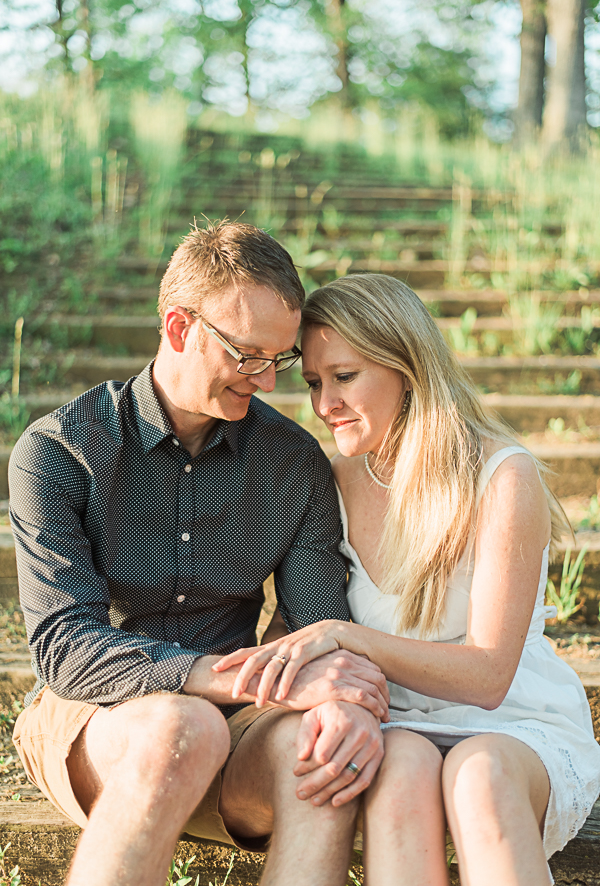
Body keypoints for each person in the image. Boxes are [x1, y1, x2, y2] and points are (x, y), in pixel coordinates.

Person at [8, 224, 390, 886]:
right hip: (94, 718)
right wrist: (232, 678)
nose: (267, 379)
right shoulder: (60, 452)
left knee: (324, 755)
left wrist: (337, 705)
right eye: (247, 355)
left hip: (238, 730)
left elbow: (314, 626)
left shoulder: (293, 463)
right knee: (183, 725)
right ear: (179, 326)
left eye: (279, 358)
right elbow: (68, 649)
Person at [215, 273, 600, 886]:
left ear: (407, 366)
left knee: (480, 779)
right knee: (399, 774)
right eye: (314, 383)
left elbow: (489, 675)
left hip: (512, 724)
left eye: (344, 377)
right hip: (395, 723)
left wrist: (350, 637)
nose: (323, 404)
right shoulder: (331, 482)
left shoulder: (502, 476)